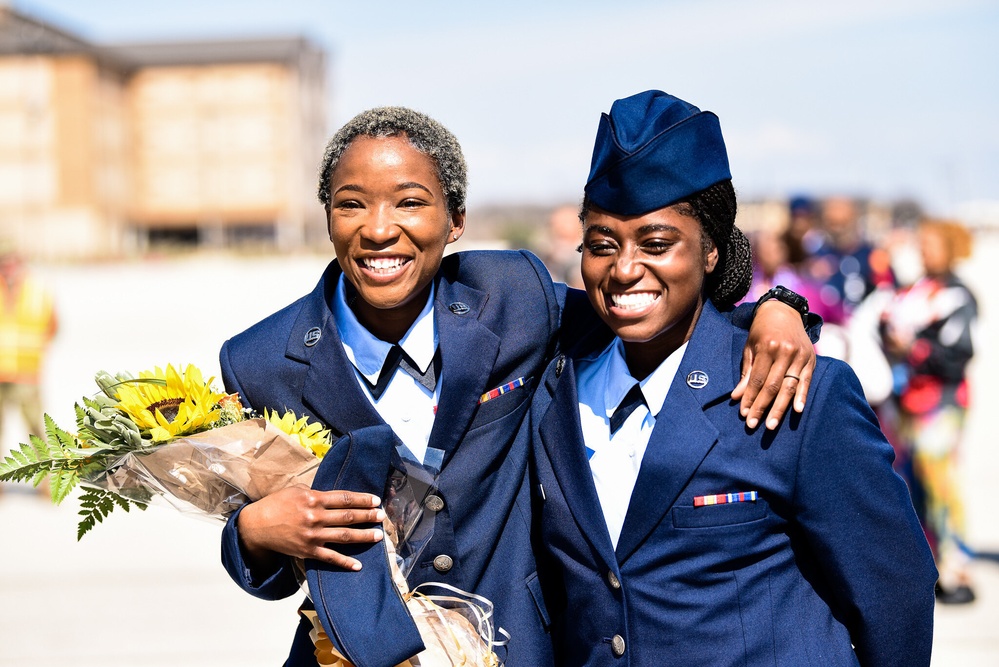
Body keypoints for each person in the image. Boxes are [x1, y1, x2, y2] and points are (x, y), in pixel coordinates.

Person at [218, 106, 818, 666]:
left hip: (518, 645)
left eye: (409, 203)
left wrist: (775, 309)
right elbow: (257, 536)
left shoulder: (514, 297)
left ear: (455, 221)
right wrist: (252, 536)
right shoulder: (261, 360)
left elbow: (642, 310)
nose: (379, 230)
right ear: (327, 215)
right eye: (351, 205)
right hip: (351, 653)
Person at [529, 90, 937, 666]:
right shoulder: (553, 386)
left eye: (657, 243)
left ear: (713, 250)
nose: (623, 269)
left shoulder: (797, 391)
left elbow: (894, 592)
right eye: (601, 245)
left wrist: (781, 305)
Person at [879, 219, 978, 605]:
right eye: (922, 244)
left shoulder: (958, 295)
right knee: (913, 484)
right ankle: (930, 563)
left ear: (951, 247)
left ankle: (957, 568)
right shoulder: (914, 290)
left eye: (932, 244)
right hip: (906, 402)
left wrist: (913, 349)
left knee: (942, 485)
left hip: (941, 403)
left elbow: (959, 354)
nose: (924, 251)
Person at [0, 242, 57, 497]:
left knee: (35, 429)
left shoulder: (38, 290)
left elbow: (52, 325)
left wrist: (33, 354)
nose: (8, 267)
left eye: (13, 261)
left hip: (26, 373)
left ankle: (46, 479)